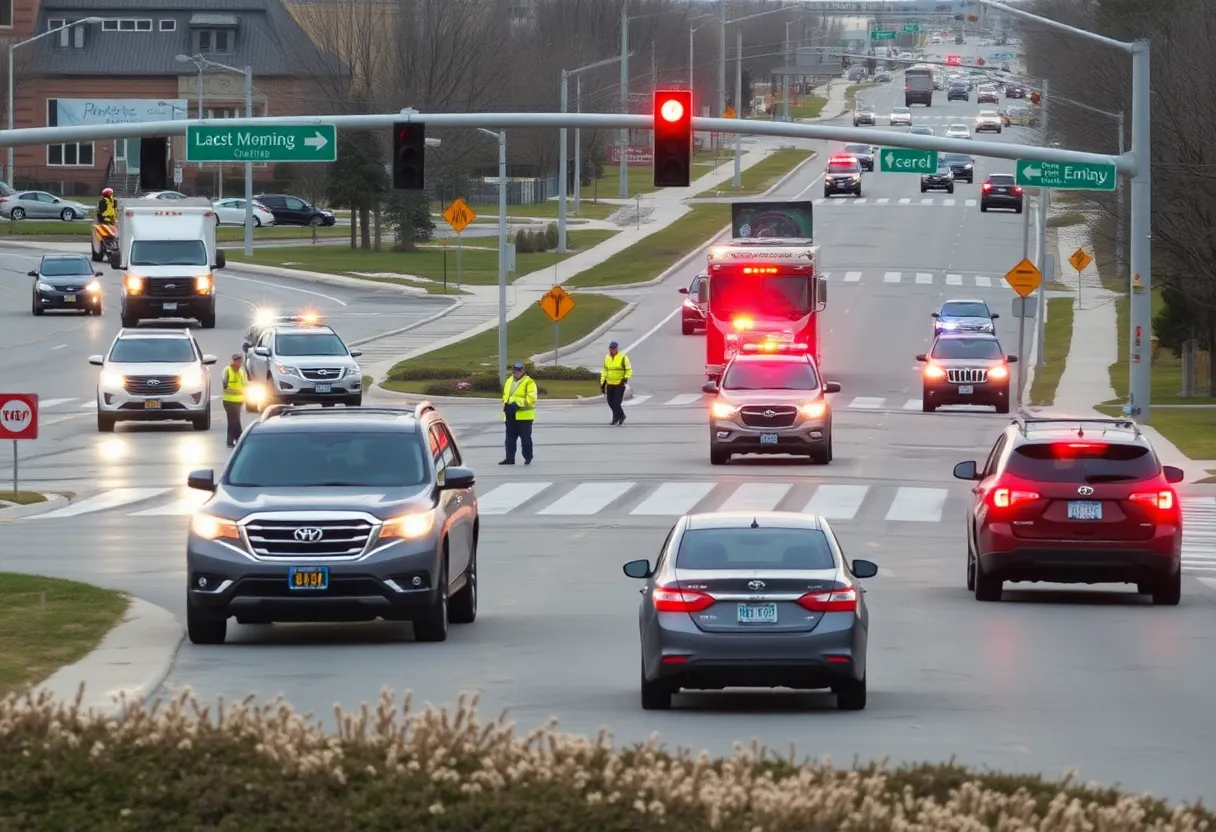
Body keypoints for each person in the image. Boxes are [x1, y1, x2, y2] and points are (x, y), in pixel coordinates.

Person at [500, 361, 536, 465]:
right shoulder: (509, 380)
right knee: (510, 438)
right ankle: (509, 458)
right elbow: (505, 395)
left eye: (519, 370)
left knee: (525, 438)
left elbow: (532, 398)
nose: (517, 372)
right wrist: (506, 405)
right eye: (515, 369)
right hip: (510, 414)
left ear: (523, 370)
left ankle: (528, 457)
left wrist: (518, 405)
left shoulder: (529, 382)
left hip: (524, 416)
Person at [600, 340, 632, 426]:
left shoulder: (623, 357)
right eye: (611, 348)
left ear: (617, 348)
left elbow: (628, 370)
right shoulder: (607, 358)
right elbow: (605, 371)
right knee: (610, 402)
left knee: (616, 403)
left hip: (619, 384)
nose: (612, 350)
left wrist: (624, 380)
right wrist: (603, 383)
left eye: (614, 348)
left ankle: (621, 416)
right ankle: (617, 418)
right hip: (610, 384)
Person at [221, 353, 245, 447]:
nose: (240, 363)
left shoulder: (241, 372)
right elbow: (225, 385)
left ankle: (234, 440)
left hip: (238, 401)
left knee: (234, 421)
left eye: (241, 361)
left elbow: (243, 385)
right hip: (229, 401)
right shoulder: (227, 370)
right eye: (238, 361)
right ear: (234, 361)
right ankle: (236, 440)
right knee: (234, 421)